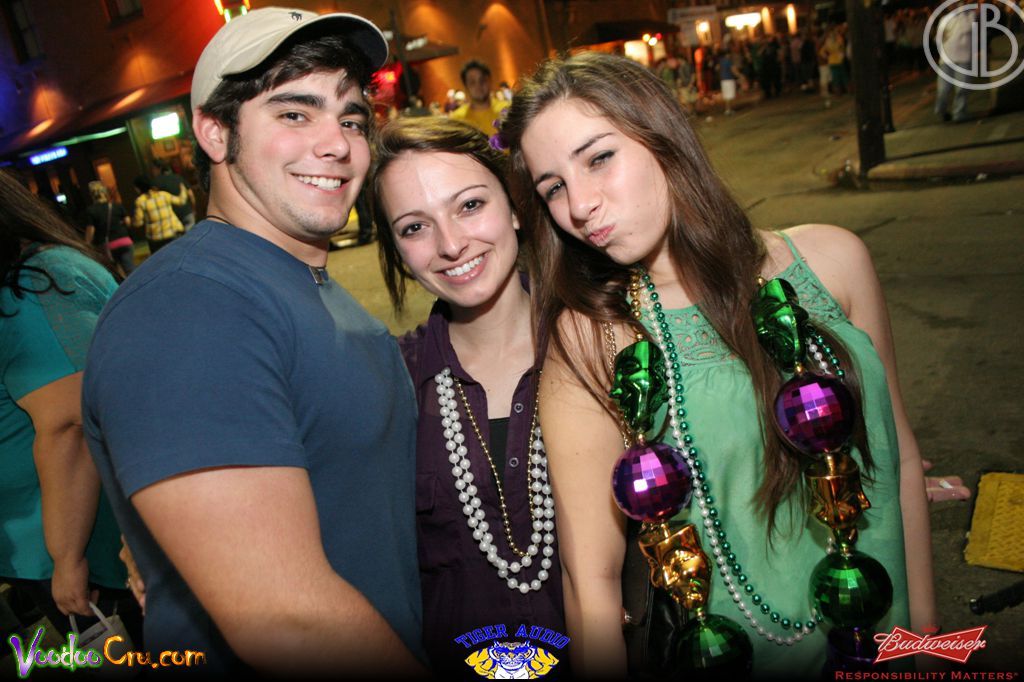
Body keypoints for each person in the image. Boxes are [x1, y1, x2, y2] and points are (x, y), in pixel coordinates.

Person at [502, 52, 937, 678]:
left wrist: (929, 644)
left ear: (663, 136)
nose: (580, 204)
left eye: (598, 158)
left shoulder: (834, 260)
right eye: (553, 188)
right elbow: (590, 583)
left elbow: (900, 461)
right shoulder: (597, 339)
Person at [82, 8, 425, 676]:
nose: (336, 144)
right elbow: (286, 621)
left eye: (352, 119)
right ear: (215, 132)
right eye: (294, 114)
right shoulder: (188, 308)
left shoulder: (291, 281)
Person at [370, 118, 567, 677]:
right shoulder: (388, 385)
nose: (451, 244)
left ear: (515, 207)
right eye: (415, 227)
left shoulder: (601, 347)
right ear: (397, 250)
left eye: (470, 205)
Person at [0, 171, 140, 645]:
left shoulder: (32, 285)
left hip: (91, 553)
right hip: (53, 544)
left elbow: (71, 427)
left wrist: (67, 558)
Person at [934, 0, 977, 123]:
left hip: (963, 58)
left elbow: (966, 28)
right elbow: (938, 38)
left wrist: (962, 11)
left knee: (962, 88)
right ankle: (941, 110)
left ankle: (959, 113)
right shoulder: (944, 19)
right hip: (946, 60)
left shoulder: (970, 15)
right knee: (943, 89)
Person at [83, 181, 135, 276]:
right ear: (105, 193)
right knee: (130, 270)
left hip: (107, 246)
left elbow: (91, 231)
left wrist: (87, 244)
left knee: (115, 273)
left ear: (92, 195)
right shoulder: (117, 206)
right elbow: (128, 222)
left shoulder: (91, 211)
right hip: (124, 241)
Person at [450, 59, 510, 137]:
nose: (478, 85)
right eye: (472, 82)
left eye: (482, 80)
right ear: (465, 87)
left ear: (489, 81)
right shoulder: (458, 119)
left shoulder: (507, 109)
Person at [131, 175, 186, 255]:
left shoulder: (140, 201)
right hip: (173, 232)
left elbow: (138, 223)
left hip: (156, 239)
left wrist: (133, 221)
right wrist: (183, 188)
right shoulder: (163, 195)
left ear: (138, 188)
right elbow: (181, 201)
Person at [150, 159, 197, 232]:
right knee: (192, 236)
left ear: (157, 168)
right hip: (187, 212)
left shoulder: (156, 182)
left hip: (171, 218)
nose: (152, 171)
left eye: (152, 169)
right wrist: (193, 209)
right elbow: (190, 194)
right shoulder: (178, 177)